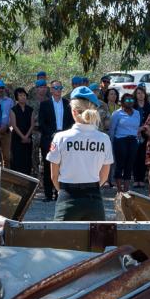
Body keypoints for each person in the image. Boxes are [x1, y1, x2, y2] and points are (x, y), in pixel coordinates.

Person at [47, 85, 112, 220]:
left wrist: (63, 192)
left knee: (61, 234)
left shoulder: (60, 137)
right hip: (94, 200)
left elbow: (54, 176)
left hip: (67, 197)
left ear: (73, 111)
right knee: (96, 235)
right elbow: (104, 176)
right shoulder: (104, 139)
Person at [36, 80, 73, 201]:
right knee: (48, 167)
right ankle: (48, 194)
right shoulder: (44, 104)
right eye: (56, 88)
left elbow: (71, 122)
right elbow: (41, 123)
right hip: (49, 138)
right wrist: (52, 134)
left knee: (63, 167)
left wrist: (65, 134)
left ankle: (60, 194)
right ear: (51, 90)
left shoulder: (68, 103)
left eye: (60, 88)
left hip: (65, 138)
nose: (58, 90)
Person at [109, 93, 144, 192]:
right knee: (120, 164)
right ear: (122, 102)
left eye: (132, 100)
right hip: (120, 140)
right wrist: (112, 143)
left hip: (133, 140)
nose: (130, 102)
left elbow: (137, 127)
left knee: (129, 165)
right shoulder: (116, 114)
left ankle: (126, 190)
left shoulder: (137, 113)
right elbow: (112, 130)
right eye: (127, 100)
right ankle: (119, 190)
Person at [9, 86, 36, 177]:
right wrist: (22, 137)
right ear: (16, 97)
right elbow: (14, 125)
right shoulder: (13, 110)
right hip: (17, 138)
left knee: (27, 159)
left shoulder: (30, 109)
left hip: (28, 138)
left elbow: (32, 124)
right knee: (17, 159)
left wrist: (26, 137)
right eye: (20, 95)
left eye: (24, 95)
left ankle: (27, 179)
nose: (23, 97)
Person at [0, 80, 15, 164]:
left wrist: (9, 128)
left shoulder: (10, 101)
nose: (1, 90)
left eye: (2, 88)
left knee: (7, 157)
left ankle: (6, 172)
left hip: (7, 131)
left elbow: (12, 116)